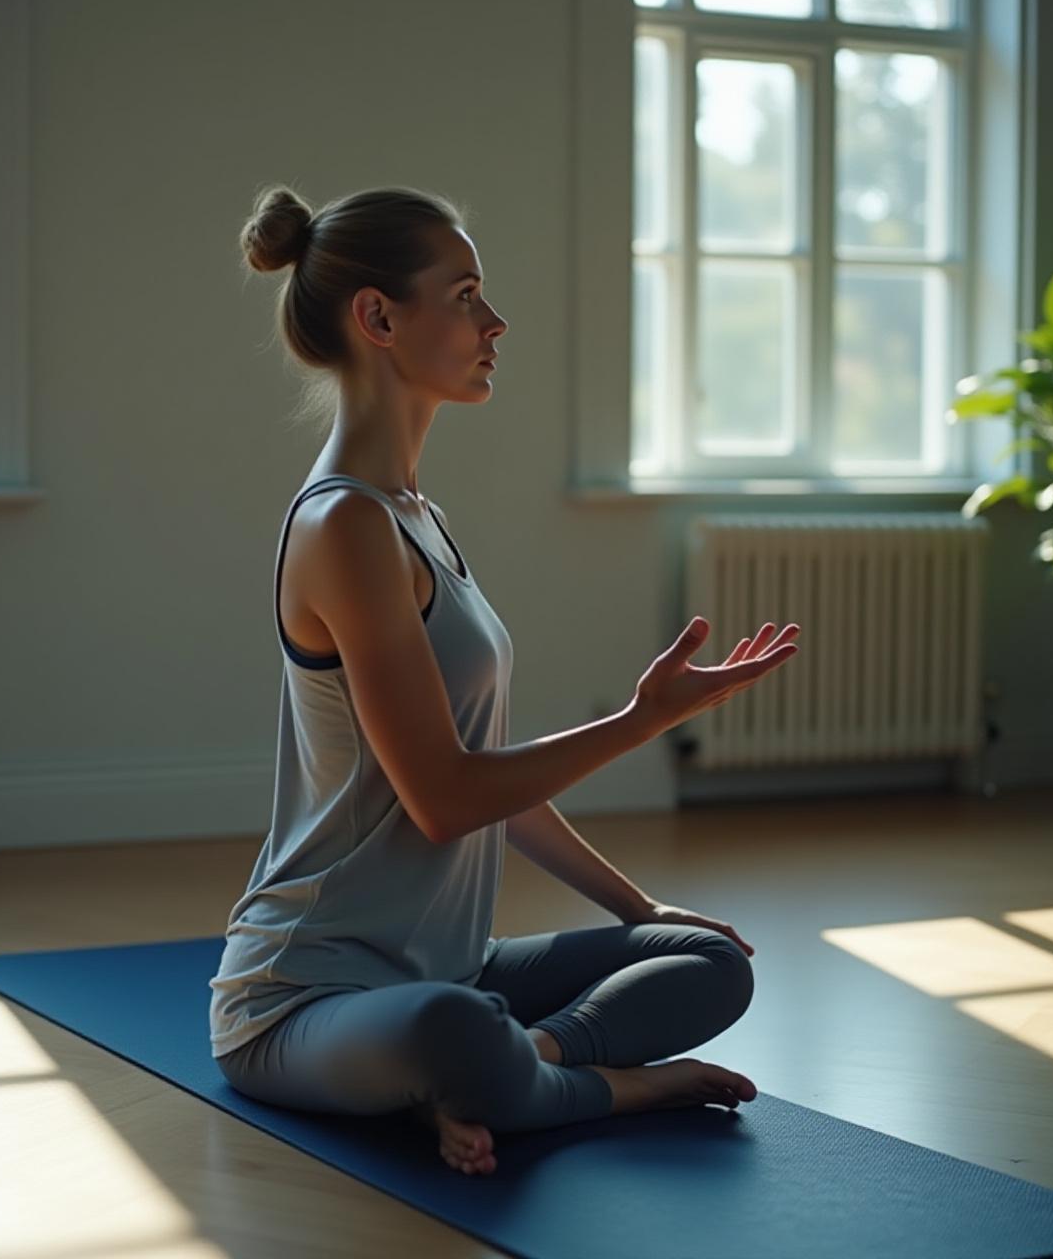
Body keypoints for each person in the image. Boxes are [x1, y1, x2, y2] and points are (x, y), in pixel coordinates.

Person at [210, 183, 800, 1176]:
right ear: (379, 317)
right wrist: (638, 719)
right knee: (451, 1025)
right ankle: (595, 1084)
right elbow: (444, 800)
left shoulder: (414, 515)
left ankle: (516, 1071)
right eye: (467, 294)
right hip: (303, 1000)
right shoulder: (344, 526)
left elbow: (491, 779)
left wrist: (637, 908)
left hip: (453, 965)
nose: (495, 322)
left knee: (707, 958)